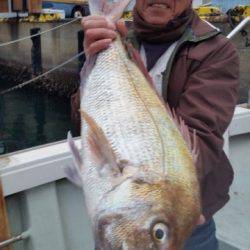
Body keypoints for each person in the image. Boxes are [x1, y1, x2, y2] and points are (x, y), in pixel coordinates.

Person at [72, 0, 239, 249]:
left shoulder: (216, 50)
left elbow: (202, 136)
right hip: (127, 224)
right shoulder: (113, 36)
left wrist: (182, 200)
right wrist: (92, 60)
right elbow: (80, 121)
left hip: (180, 223)